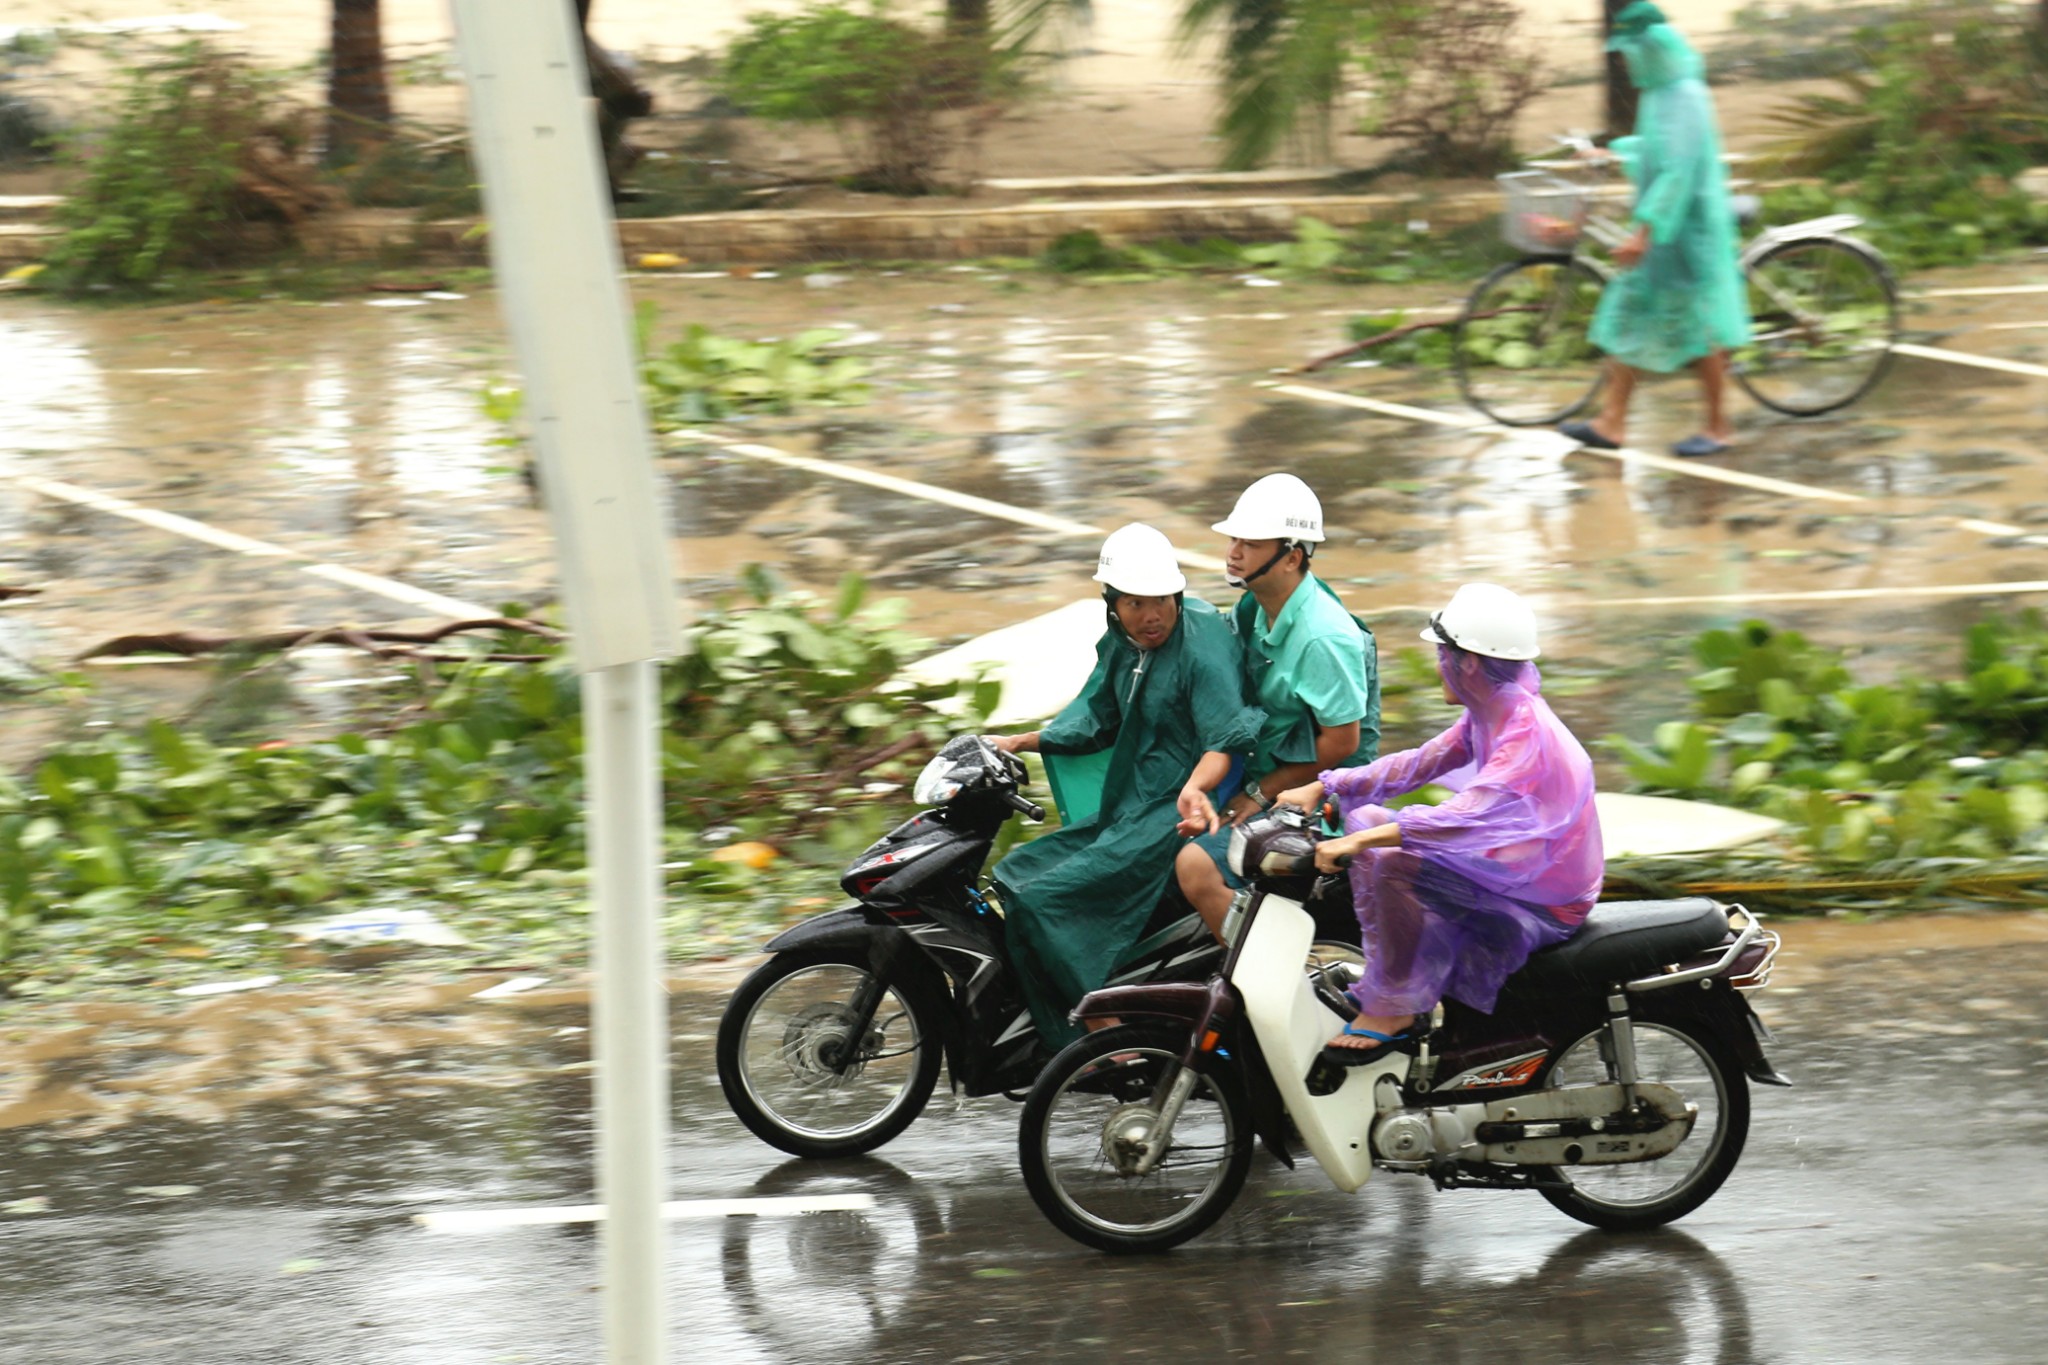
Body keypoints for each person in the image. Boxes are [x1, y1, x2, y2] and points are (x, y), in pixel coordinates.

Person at [1273, 583, 1602, 1064]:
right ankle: (1397, 987)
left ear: (1467, 661)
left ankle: (1395, 1005)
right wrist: (1326, 786)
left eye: (1443, 652)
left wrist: (1358, 841)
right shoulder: (1491, 712)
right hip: (1515, 869)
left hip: (1545, 896)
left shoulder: (1524, 732)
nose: (1438, 663)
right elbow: (1415, 765)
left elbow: (1461, 819)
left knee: (1387, 859)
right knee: (1367, 821)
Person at [989, 523, 1262, 1046]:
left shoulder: (1201, 647)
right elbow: (1096, 716)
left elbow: (1225, 738)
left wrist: (1196, 788)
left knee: (1046, 898)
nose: (1151, 615)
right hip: (1129, 805)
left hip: (1172, 812)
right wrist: (1019, 742)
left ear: (1177, 594)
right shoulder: (1123, 642)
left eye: (1160, 600)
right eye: (1135, 603)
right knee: (1013, 875)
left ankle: (1102, 1024)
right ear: (1112, 603)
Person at [1173, 473, 1379, 938]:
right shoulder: (1254, 606)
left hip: (1322, 791)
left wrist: (1261, 794)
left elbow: (1343, 742)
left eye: (1250, 543)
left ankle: (1263, 984)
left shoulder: (1323, 637)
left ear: (1291, 556)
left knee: (1196, 865)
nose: (1233, 552)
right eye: (1234, 539)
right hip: (1266, 769)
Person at [1561, 2, 1750, 459]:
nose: (1625, 62)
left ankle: (1719, 427)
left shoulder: (1684, 95)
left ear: (1650, 48)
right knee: (1629, 317)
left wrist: (1644, 233)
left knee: (1700, 335)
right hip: (1661, 237)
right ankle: (1611, 422)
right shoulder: (1661, 93)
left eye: (1630, 52)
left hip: (1686, 237)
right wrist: (1611, 154)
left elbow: (1677, 171)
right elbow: (1653, 148)